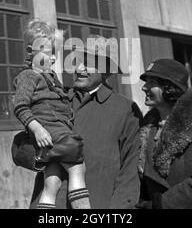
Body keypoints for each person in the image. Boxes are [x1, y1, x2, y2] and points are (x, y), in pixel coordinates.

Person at [30, 35, 143, 209]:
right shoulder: (55, 100)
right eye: (79, 61)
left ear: (106, 71)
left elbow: (130, 170)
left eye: (89, 63)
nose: (80, 68)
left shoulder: (125, 110)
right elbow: (21, 148)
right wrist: (40, 153)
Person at [13, 19, 91, 209]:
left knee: (52, 181)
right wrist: (37, 129)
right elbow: (20, 106)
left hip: (52, 134)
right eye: (48, 53)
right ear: (31, 52)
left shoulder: (50, 78)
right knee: (78, 167)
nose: (54, 59)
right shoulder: (29, 76)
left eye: (54, 53)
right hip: (51, 131)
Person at [136, 58, 192, 209]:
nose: (144, 87)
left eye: (152, 83)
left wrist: (161, 204)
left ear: (169, 87)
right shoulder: (147, 126)